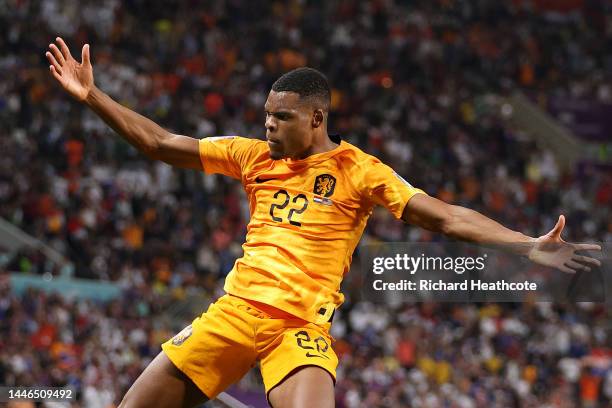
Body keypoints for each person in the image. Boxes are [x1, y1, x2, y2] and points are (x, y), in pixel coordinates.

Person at [45, 38, 601, 408]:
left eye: (280, 117)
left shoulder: (359, 170)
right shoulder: (250, 156)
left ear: (316, 118)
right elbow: (162, 143)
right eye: (266, 114)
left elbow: (447, 216)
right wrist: (91, 94)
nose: (267, 125)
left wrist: (525, 245)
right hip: (233, 313)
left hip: (300, 330)